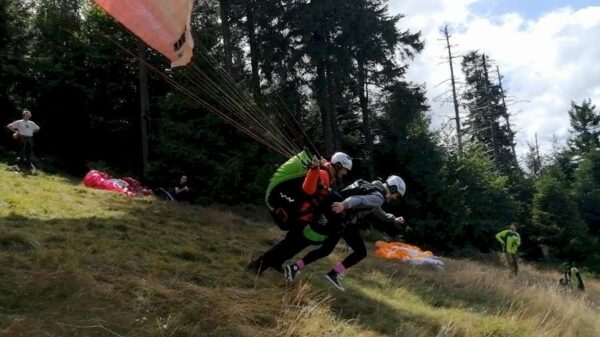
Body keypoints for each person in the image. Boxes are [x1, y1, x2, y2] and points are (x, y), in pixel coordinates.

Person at [284, 175, 407, 291]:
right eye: (397, 195)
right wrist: (344, 205)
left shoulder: (375, 187)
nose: (395, 198)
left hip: (341, 218)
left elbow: (376, 209)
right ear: (393, 188)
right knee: (360, 252)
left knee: (326, 249)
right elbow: (359, 199)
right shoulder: (379, 197)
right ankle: (333, 273)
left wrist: (393, 219)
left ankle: (295, 268)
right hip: (344, 221)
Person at [247, 152, 352, 275]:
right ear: (338, 166)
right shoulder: (323, 174)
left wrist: (322, 166)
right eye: (344, 170)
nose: (345, 173)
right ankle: (257, 266)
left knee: (295, 244)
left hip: (305, 215)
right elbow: (308, 189)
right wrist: (314, 169)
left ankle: (276, 262)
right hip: (299, 214)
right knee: (290, 244)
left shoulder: (326, 173)